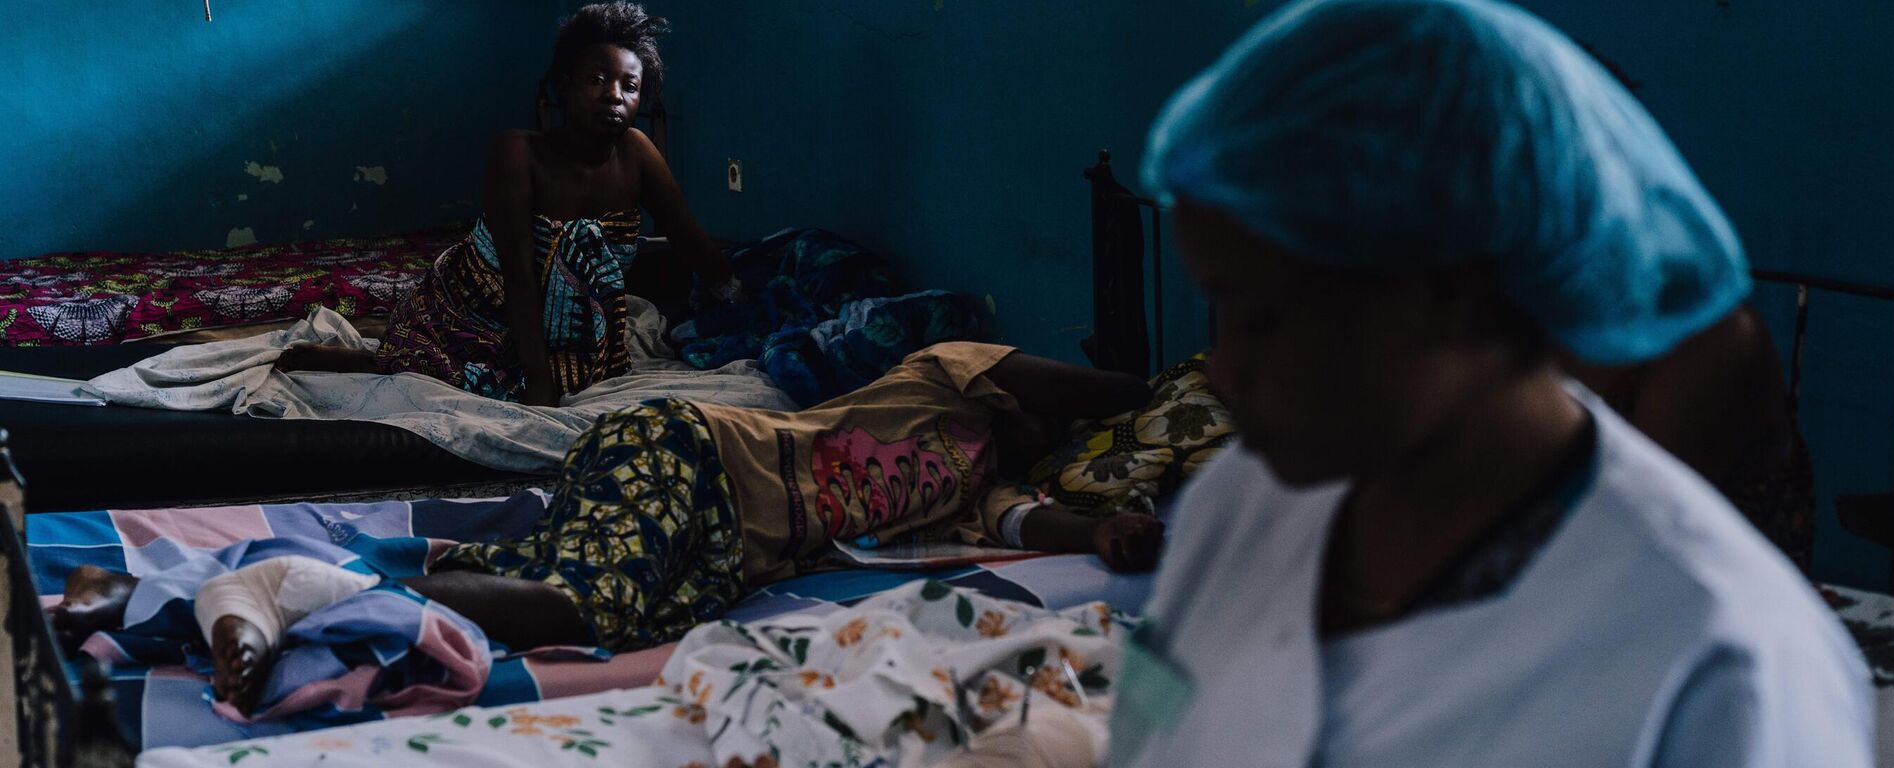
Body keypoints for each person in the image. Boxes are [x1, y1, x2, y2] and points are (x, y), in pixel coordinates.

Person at [1109, 0, 1873, 765]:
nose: (1222, 368)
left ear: (1452, 294)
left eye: (1260, 318)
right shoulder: (1234, 510)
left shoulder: (1718, 661)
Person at [53, 342, 1163, 716]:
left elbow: (1038, 517)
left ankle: (152, 597)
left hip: (721, 550)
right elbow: (1093, 382)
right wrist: (1178, 393)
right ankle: (286, 585)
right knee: (590, 603)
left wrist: (1109, 524)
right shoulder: (949, 379)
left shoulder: (972, 495)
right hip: (690, 455)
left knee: (549, 610)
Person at [278, 2, 737, 406]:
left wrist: (744, 298)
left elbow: (692, 243)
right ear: (565, 84)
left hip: (571, 327)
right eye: (597, 79)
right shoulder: (519, 152)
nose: (615, 95)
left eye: (629, 85)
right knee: (440, 373)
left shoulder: (637, 153)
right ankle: (370, 360)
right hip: (477, 307)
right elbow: (517, 275)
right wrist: (539, 381)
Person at [1566, 305, 1818, 570]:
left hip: (1694, 591)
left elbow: (1633, 534)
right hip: (1618, 583)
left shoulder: (1712, 338)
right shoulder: (1568, 330)